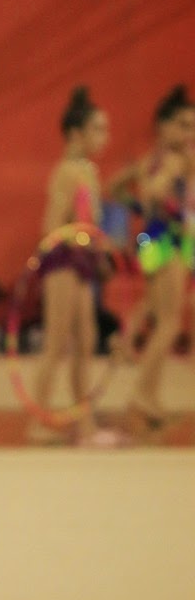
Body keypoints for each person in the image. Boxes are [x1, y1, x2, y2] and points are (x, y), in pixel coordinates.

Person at [30, 86, 117, 445]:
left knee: (85, 342)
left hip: (81, 264)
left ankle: (85, 424)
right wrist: (87, 242)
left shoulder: (88, 171)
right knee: (57, 342)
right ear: (76, 134)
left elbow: (88, 225)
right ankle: (37, 422)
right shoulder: (67, 171)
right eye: (98, 129)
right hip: (63, 263)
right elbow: (52, 227)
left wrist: (99, 250)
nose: (105, 137)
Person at [124, 84, 195, 435]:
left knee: (160, 316)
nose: (189, 132)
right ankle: (141, 395)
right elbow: (156, 190)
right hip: (167, 239)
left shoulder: (149, 159)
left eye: (192, 126)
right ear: (163, 126)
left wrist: (141, 206)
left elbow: (117, 187)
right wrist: (160, 196)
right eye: (183, 125)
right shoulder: (175, 159)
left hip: (152, 237)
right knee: (168, 323)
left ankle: (150, 397)